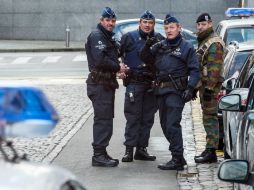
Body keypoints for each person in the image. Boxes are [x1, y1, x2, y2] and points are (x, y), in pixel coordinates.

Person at [140, 14, 200, 170]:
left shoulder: (186, 47)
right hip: (161, 90)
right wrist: (148, 45)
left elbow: (194, 70)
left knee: (172, 124)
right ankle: (178, 156)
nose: (169, 30)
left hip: (176, 91)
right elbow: (145, 58)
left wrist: (190, 88)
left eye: (172, 27)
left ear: (179, 28)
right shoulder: (161, 45)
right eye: (166, 28)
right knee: (165, 125)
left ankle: (177, 158)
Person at [85, 7, 128, 167]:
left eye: (112, 20)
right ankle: (98, 155)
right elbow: (100, 61)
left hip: (105, 84)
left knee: (105, 120)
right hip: (99, 85)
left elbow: (109, 58)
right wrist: (118, 68)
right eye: (107, 20)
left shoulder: (106, 36)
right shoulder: (98, 36)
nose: (110, 23)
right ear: (101, 21)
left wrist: (117, 69)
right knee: (103, 120)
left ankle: (101, 153)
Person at [119, 10, 164, 162]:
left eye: (150, 23)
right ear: (140, 23)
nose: (147, 25)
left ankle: (141, 149)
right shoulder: (128, 37)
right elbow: (116, 54)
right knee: (133, 117)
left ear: (153, 25)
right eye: (144, 22)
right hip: (134, 82)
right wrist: (120, 67)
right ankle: (128, 150)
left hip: (151, 83)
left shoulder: (158, 38)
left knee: (147, 118)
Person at [194, 13, 224, 164]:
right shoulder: (204, 40)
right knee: (207, 118)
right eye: (198, 25)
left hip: (210, 88)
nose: (200, 27)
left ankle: (211, 151)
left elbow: (215, 68)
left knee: (210, 118)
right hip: (204, 86)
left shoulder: (214, 43)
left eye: (203, 24)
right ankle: (209, 148)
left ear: (210, 24)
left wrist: (210, 89)